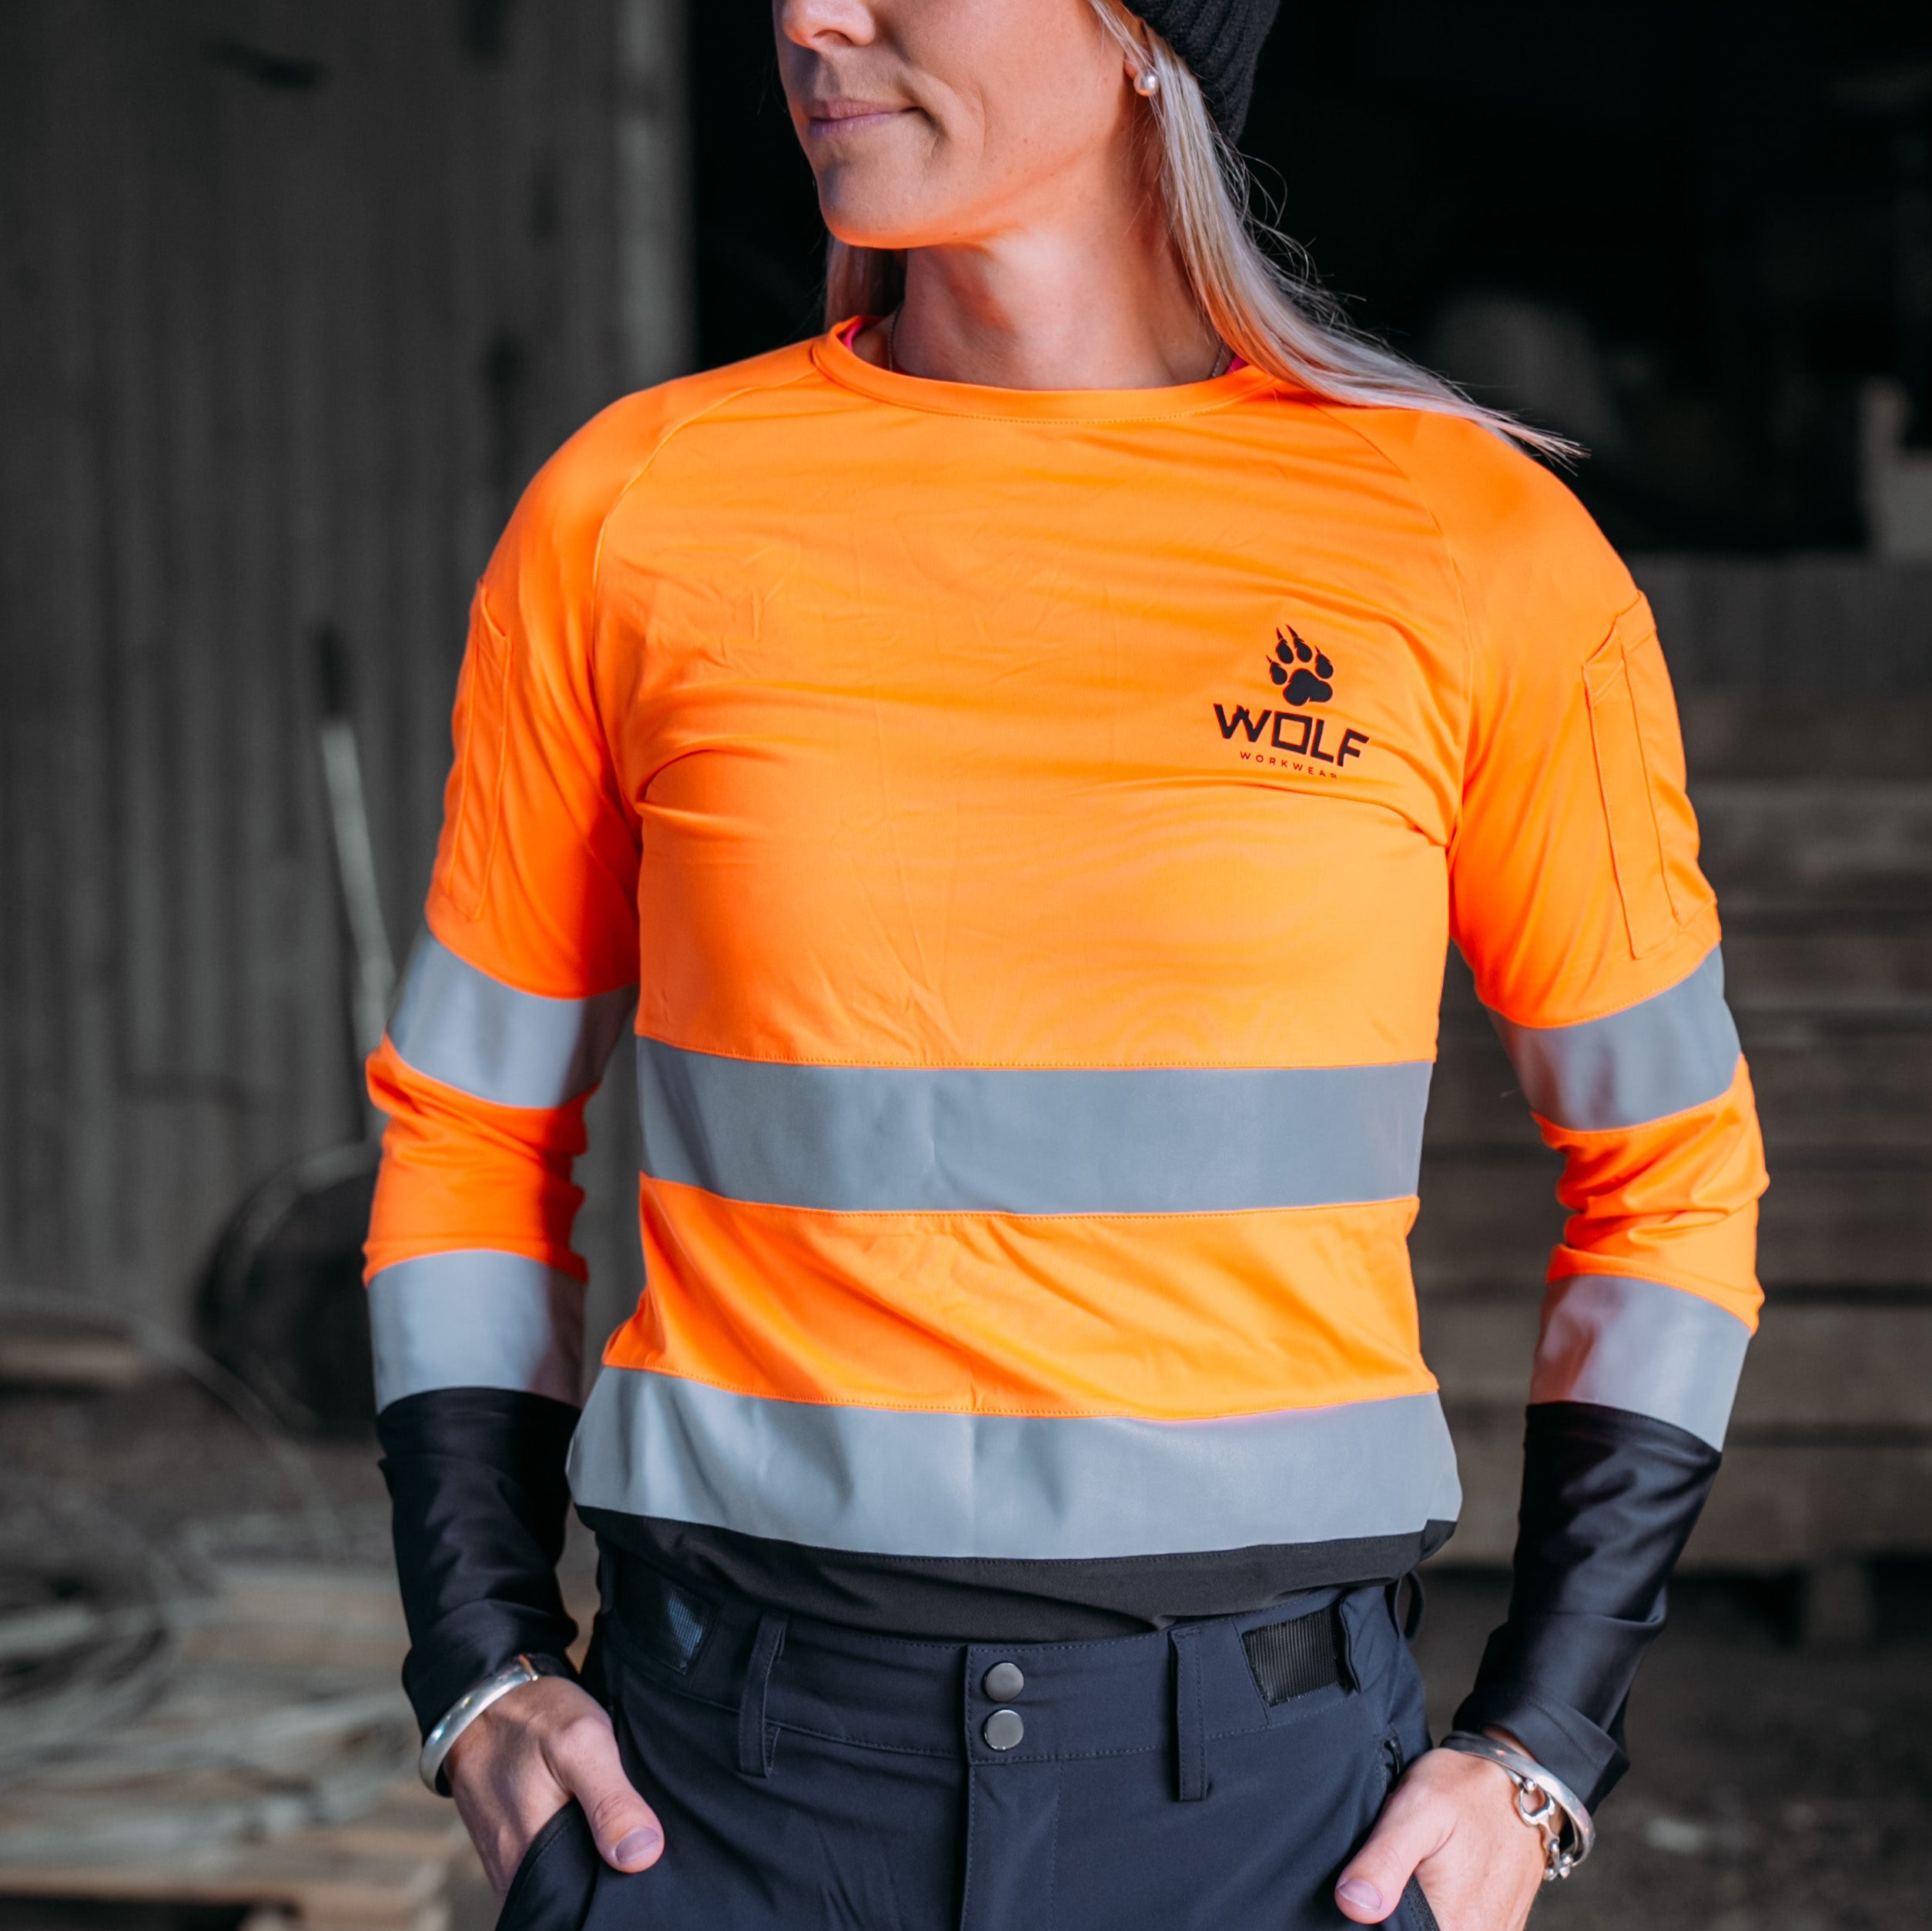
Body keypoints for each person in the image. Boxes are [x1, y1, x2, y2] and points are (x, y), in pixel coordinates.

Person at [364, 2, 1767, 1926]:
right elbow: (465, 1127)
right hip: (716, 1802)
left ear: (1136, 36)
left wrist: (1537, 1750)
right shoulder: (636, 515)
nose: (808, 17)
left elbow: (1672, 1172)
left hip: (1272, 1822)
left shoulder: (1472, 552)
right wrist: (483, 1666)